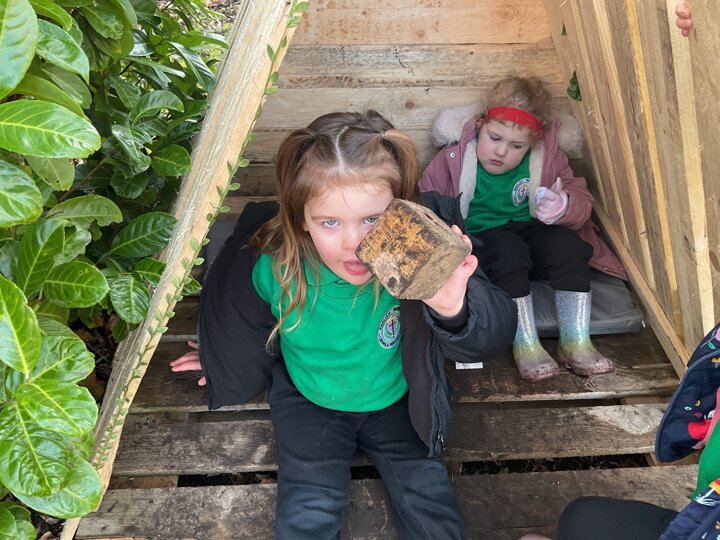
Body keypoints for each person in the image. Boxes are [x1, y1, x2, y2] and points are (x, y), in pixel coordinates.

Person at [170, 110, 517, 539]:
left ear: (403, 212)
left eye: (372, 220)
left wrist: (453, 308)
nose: (354, 243)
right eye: (330, 222)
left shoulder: (419, 255)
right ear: (302, 218)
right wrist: (222, 357)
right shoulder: (274, 267)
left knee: (430, 504)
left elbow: (491, 333)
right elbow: (245, 320)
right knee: (308, 512)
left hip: (398, 400)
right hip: (309, 400)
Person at [420, 76, 627, 382]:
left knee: (567, 244)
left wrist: (563, 205)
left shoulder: (548, 160)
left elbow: (580, 199)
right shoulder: (453, 159)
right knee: (508, 248)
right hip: (481, 246)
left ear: (534, 142)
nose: (501, 151)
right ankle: (526, 344)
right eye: (495, 138)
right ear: (479, 125)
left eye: (516, 145)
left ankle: (576, 342)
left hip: (530, 237)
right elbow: (428, 204)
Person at [518, 322, 720, 540]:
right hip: (703, 516)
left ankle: (573, 339)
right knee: (579, 518)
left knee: (576, 520)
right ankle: (558, 340)